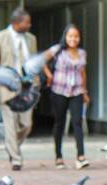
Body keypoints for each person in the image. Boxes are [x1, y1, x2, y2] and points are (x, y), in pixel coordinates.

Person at [0, 7, 38, 171]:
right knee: (10, 125)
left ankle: (11, 146)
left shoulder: (31, 39)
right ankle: (16, 159)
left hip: (27, 89)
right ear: (16, 23)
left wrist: (36, 85)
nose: (29, 25)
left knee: (27, 125)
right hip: (6, 89)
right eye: (26, 22)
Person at [44, 23, 89, 169]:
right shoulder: (57, 50)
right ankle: (58, 156)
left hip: (76, 91)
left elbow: (83, 73)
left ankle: (81, 156)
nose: (73, 39)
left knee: (77, 122)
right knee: (60, 123)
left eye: (76, 36)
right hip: (59, 90)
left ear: (79, 38)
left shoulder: (82, 53)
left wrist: (84, 91)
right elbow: (42, 61)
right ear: (65, 36)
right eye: (70, 36)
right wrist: (49, 75)